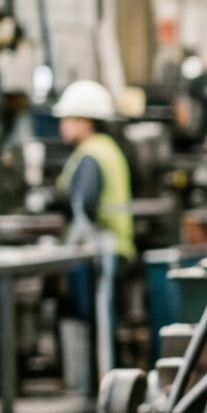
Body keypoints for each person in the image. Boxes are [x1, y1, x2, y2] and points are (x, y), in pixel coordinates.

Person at [52, 80, 135, 378]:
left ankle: (104, 394)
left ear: (85, 122)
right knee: (104, 325)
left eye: (68, 119)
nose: (62, 125)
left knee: (100, 328)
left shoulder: (92, 154)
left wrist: (68, 247)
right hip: (115, 248)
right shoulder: (107, 148)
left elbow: (84, 207)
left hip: (104, 250)